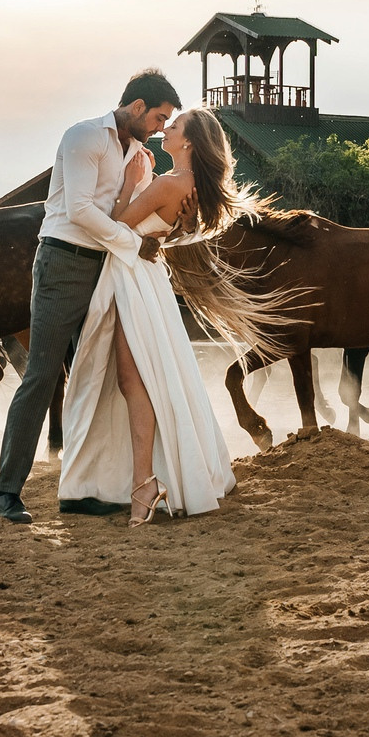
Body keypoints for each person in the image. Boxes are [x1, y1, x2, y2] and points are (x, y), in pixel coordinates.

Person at [55, 105, 272, 522]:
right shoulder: (183, 184)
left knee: (135, 382)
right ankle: (145, 478)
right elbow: (159, 232)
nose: (165, 130)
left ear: (188, 141)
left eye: (174, 126)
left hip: (133, 280)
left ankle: (144, 483)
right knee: (142, 379)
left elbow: (115, 224)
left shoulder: (171, 183)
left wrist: (131, 182)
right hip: (144, 278)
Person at [0, 70, 180, 524]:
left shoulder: (138, 154)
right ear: (137, 106)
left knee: (100, 378)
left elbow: (129, 210)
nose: (159, 128)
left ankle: (86, 489)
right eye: (158, 118)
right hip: (64, 264)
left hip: (108, 268)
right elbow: (78, 210)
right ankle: (5, 492)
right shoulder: (84, 136)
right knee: (42, 375)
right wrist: (133, 243)